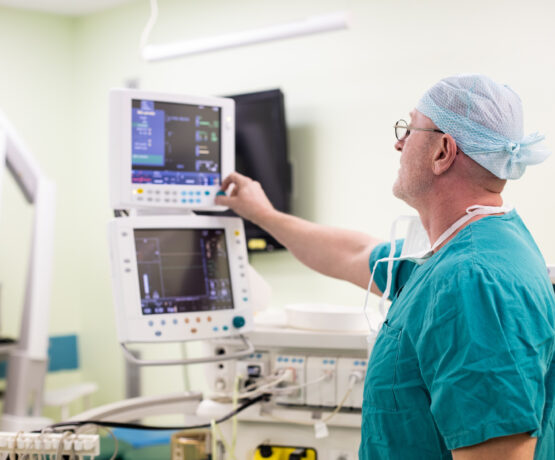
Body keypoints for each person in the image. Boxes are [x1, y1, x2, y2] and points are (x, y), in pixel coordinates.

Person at [215, 74, 555, 459]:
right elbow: (353, 254)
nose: (398, 143)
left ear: (442, 151)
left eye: (410, 129)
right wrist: (262, 214)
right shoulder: (455, 252)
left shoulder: (472, 280)